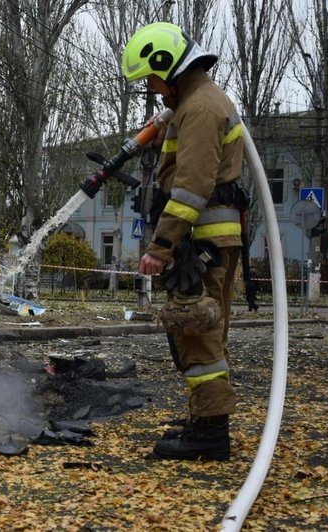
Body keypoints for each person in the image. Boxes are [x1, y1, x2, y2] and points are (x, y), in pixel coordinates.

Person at [122, 22, 244, 460]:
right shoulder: (195, 103)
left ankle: (210, 435)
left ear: (166, 65)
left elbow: (190, 187)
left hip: (198, 239)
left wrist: (161, 247)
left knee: (197, 331)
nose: (152, 90)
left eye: (151, 80)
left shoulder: (201, 109)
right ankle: (204, 417)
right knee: (199, 328)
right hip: (204, 237)